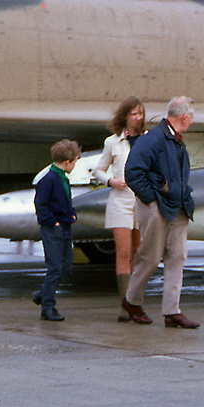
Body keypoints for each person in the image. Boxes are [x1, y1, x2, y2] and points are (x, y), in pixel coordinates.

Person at [121, 95, 198, 329]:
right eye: (191, 117)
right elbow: (133, 172)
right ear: (184, 117)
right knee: (151, 257)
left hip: (177, 207)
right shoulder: (153, 139)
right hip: (157, 207)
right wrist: (151, 200)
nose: (192, 121)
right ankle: (132, 301)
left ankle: (172, 311)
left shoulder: (174, 140)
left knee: (177, 257)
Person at [90, 97, 146, 287]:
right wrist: (111, 181)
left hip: (142, 200)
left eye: (141, 113)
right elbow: (98, 170)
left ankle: (135, 299)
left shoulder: (148, 140)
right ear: (125, 117)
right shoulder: (112, 142)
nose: (138, 117)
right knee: (124, 252)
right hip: (120, 200)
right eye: (134, 114)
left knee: (138, 251)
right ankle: (125, 303)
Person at [32, 139, 79, 322]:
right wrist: (53, 222)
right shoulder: (49, 180)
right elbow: (40, 205)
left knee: (65, 267)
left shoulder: (62, 179)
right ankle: (48, 307)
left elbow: (66, 201)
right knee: (55, 268)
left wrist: (71, 214)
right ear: (68, 162)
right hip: (53, 229)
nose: (75, 165)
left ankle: (43, 294)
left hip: (65, 226)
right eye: (75, 161)